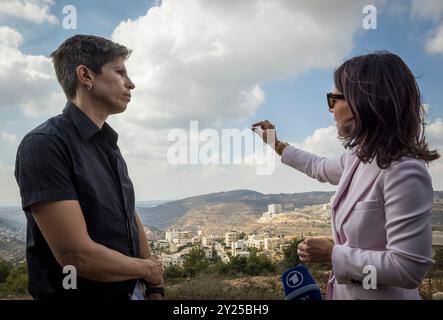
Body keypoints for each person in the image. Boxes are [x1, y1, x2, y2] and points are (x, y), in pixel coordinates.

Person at [252, 51, 439, 300]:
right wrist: (275, 143)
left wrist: (333, 255)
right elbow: (318, 166)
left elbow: (408, 269)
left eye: (333, 99)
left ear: (360, 103)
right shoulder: (359, 158)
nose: (330, 110)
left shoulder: (405, 170)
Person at [14, 35, 164, 300]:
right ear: (85, 75)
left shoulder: (109, 145)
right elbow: (76, 256)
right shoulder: (45, 144)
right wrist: (147, 269)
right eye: (120, 72)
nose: (131, 83)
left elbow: (130, 214)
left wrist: (152, 287)